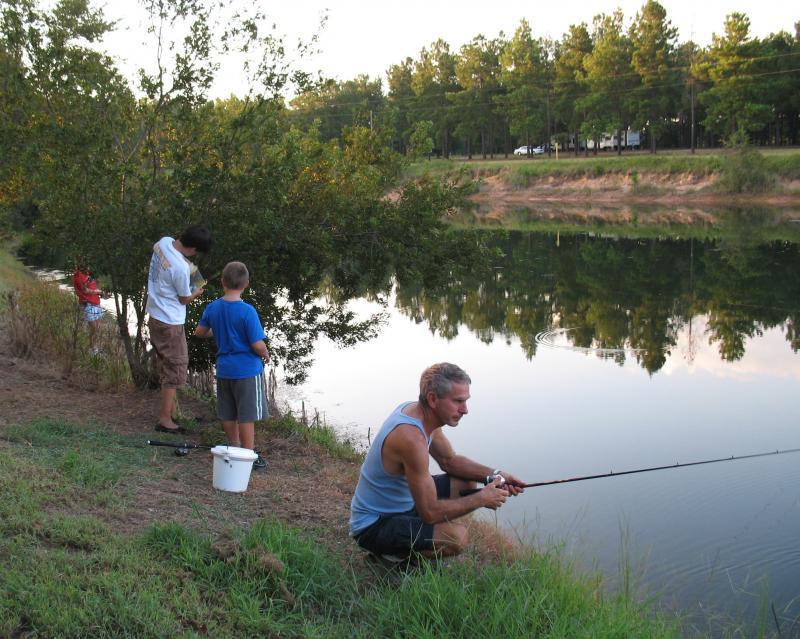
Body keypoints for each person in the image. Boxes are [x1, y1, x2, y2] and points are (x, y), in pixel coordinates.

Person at [350, 362, 526, 559]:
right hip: (375, 524)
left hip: (405, 503)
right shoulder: (410, 439)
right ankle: (395, 556)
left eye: (466, 401)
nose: (465, 409)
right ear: (433, 399)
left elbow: (449, 461)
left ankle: (418, 539)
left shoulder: (422, 414)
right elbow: (430, 512)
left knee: (465, 481)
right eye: (458, 401)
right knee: (457, 538)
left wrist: (496, 475)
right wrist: (481, 498)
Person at [194, 261, 269, 470]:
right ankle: (248, 455)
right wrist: (266, 353)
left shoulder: (213, 307)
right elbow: (256, 343)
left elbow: (199, 332)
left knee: (228, 411)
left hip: (225, 369)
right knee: (246, 415)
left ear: (222, 282)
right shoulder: (247, 311)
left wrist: (217, 331)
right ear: (246, 284)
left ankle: (233, 447)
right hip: (246, 371)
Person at [146, 225, 212, 434]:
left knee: (167, 364)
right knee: (175, 368)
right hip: (170, 322)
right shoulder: (180, 269)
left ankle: (172, 412)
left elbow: (178, 261)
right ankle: (165, 420)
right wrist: (198, 291)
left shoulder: (163, 242)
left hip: (156, 313)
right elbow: (184, 298)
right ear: (193, 249)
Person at [72, 259, 104, 354]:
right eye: (87, 265)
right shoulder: (78, 276)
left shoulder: (88, 274)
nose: (89, 267)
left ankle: (95, 348)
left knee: (97, 328)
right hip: (88, 304)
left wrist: (102, 293)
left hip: (96, 302)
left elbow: (95, 285)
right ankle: (92, 349)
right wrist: (98, 292)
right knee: (93, 328)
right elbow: (84, 290)